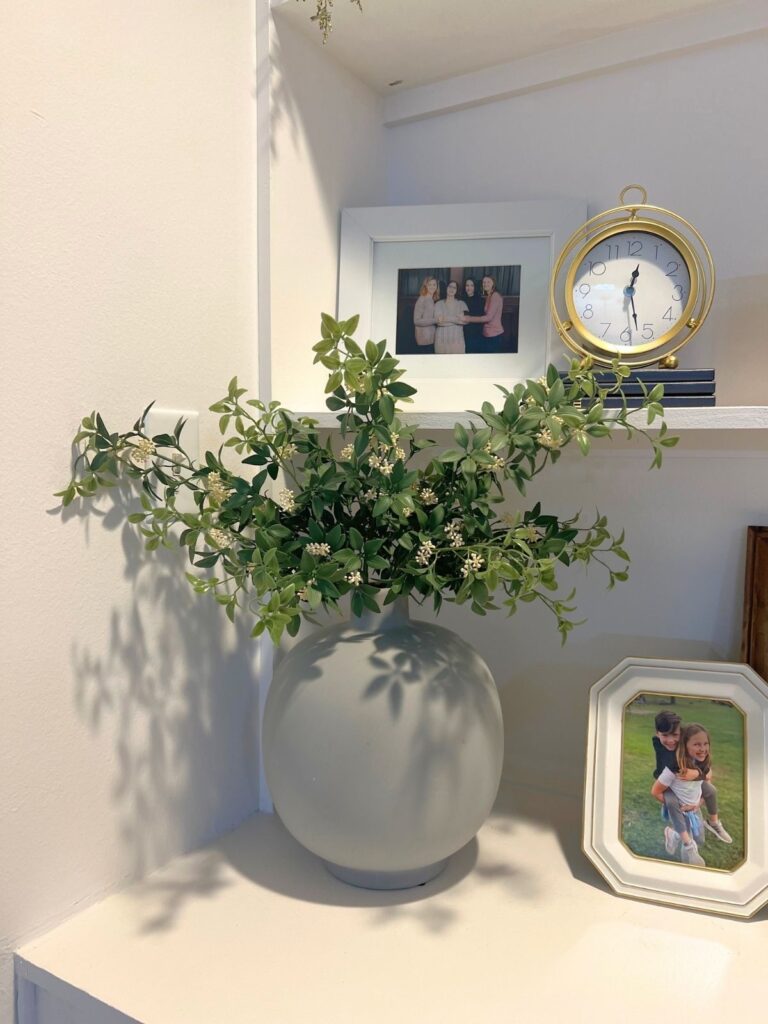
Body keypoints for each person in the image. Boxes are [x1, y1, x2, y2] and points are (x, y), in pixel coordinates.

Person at [651, 722, 732, 867]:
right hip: (680, 807)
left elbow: (707, 782)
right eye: (697, 744)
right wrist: (677, 807)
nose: (703, 749)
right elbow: (655, 791)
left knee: (699, 839)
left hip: (693, 805)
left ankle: (675, 833)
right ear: (685, 745)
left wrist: (696, 804)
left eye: (705, 744)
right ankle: (688, 860)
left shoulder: (702, 761)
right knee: (688, 839)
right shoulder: (674, 767)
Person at [461, 274, 505, 353]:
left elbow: (488, 317)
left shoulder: (495, 295)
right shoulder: (489, 296)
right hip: (486, 334)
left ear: (493, 283)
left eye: (488, 282)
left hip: (494, 334)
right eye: (484, 282)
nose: (485, 284)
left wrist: (468, 318)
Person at [434, 280, 468, 354]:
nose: (451, 289)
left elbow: (463, 321)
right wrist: (456, 319)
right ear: (446, 288)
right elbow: (439, 322)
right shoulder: (438, 304)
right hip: (441, 341)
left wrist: (445, 318)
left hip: (457, 341)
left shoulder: (461, 304)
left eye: (454, 288)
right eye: (450, 286)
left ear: (457, 290)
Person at [412, 277, 439, 353]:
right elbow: (416, 321)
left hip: (431, 339)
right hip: (423, 340)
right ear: (425, 286)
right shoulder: (422, 299)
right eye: (429, 284)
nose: (432, 287)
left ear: (437, 286)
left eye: (434, 284)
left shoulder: (431, 299)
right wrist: (436, 320)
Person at [461, 278, 485, 354]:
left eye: (472, 285)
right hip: (463, 331)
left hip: (476, 331)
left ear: (475, 287)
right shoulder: (461, 299)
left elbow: (481, 317)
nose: (469, 288)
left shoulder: (480, 300)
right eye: (467, 285)